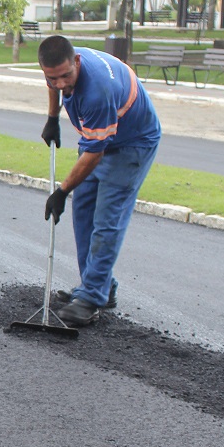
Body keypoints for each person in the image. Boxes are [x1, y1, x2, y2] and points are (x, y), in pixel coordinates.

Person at [37, 35, 161, 327]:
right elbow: (54, 82)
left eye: (66, 76)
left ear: (77, 62)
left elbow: (94, 153)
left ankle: (92, 297)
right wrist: (52, 117)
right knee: (84, 214)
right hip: (100, 137)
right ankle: (98, 287)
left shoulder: (97, 91)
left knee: (107, 220)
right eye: (53, 78)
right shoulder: (58, 66)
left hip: (133, 143)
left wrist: (62, 190)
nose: (61, 84)